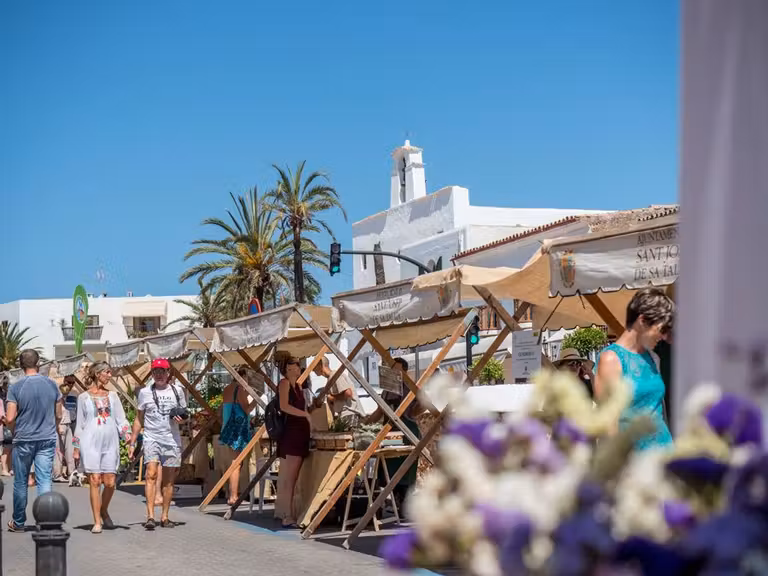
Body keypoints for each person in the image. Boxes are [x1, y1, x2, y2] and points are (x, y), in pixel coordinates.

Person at [596, 288, 674, 450]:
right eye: (662, 329)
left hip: (664, 455)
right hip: (634, 462)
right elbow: (608, 426)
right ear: (642, 321)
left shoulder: (654, 358)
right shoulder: (611, 359)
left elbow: (659, 411)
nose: (664, 337)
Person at [4, 349, 62, 533]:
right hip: (46, 438)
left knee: (21, 482)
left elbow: (11, 417)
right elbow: (59, 413)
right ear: (38, 364)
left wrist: (8, 421)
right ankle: (45, 521)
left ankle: (19, 522)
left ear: (21, 366)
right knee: (44, 479)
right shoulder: (52, 385)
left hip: (24, 439)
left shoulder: (15, 387)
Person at [73, 362, 131, 533]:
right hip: (90, 442)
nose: (110, 375)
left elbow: (121, 419)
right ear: (98, 374)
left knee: (110, 482)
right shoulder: (83, 397)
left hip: (110, 441)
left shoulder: (113, 396)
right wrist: (76, 447)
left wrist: (127, 436)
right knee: (95, 480)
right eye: (107, 372)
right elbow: (80, 424)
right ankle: (97, 520)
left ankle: (104, 509)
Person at [129, 358, 186, 530]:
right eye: (156, 371)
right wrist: (132, 442)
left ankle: (165, 516)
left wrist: (181, 419)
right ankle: (150, 516)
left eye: (162, 371)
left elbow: (185, 416)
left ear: (168, 373)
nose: (159, 374)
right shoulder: (145, 393)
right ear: (152, 373)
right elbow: (139, 419)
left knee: (169, 481)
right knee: (151, 475)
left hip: (171, 439)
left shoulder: (178, 391)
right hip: (151, 438)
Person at [364, 358, 422, 510]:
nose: (392, 371)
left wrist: (412, 413)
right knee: (389, 469)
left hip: (407, 431)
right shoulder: (386, 391)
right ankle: (395, 501)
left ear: (404, 370)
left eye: (396, 368)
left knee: (406, 469)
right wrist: (367, 421)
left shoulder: (411, 388)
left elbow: (424, 405)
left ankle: (404, 504)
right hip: (390, 433)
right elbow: (379, 411)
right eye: (391, 368)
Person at [274, 357, 312, 528]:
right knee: (290, 477)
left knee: (295, 476)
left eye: (298, 366)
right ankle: (286, 515)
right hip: (292, 434)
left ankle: (290, 512)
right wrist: (304, 415)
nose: (298, 369)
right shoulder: (284, 384)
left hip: (301, 433)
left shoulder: (298, 386)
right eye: (295, 366)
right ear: (288, 369)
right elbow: (284, 406)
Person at [219, 367, 253, 506]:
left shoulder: (227, 388)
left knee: (234, 462)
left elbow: (222, 409)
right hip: (237, 429)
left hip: (228, 427)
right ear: (243, 376)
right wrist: (256, 400)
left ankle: (230, 493)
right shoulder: (239, 389)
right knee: (236, 463)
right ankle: (233, 496)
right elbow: (246, 409)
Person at [314, 355, 364, 428]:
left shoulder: (335, 375)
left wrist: (333, 397)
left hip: (350, 414)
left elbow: (348, 393)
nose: (312, 370)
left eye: (314, 366)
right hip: (345, 415)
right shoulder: (330, 379)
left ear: (320, 365)